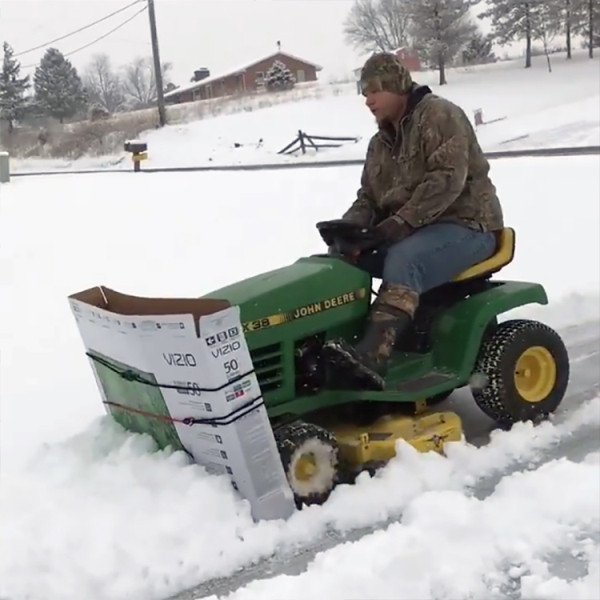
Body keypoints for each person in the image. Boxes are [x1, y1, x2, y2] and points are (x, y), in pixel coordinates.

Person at [321, 52, 504, 391]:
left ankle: (374, 355)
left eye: (374, 90)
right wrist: (348, 231)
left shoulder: (438, 115)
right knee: (340, 264)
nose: (368, 100)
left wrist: (400, 223)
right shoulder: (379, 144)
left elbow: (447, 179)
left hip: (467, 225)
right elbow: (368, 198)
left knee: (404, 259)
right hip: (414, 230)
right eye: (363, 92)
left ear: (398, 85)